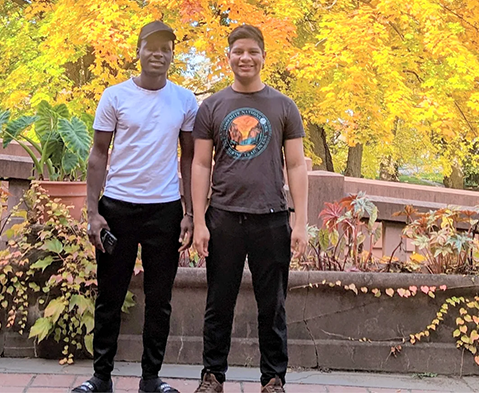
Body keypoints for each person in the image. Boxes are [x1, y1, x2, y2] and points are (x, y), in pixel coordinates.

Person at [73, 21, 198, 393]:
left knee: (160, 300)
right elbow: (98, 154)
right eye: (152, 46)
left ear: (173, 56)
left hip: (165, 210)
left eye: (166, 48)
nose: (158, 53)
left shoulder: (184, 100)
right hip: (117, 208)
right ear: (139, 50)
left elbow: (189, 160)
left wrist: (190, 213)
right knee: (109, 295)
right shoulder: (115, 96)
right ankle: (101, 377)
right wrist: (93, 212)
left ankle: (151, 379)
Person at [191, 24, 308, 393]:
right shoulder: (211, 106)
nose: (245, 58)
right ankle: (212, 376)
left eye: (252, 51)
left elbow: (297, 165)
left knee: (272, 305)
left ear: (263, 56)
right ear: (228, 56)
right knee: (218, 303)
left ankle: (273, 379)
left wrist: (301, 221)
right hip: (223, 216)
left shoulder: (284, 106)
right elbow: (199, 165)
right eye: (238, 51)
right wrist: (198, 221)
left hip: (272, 217)